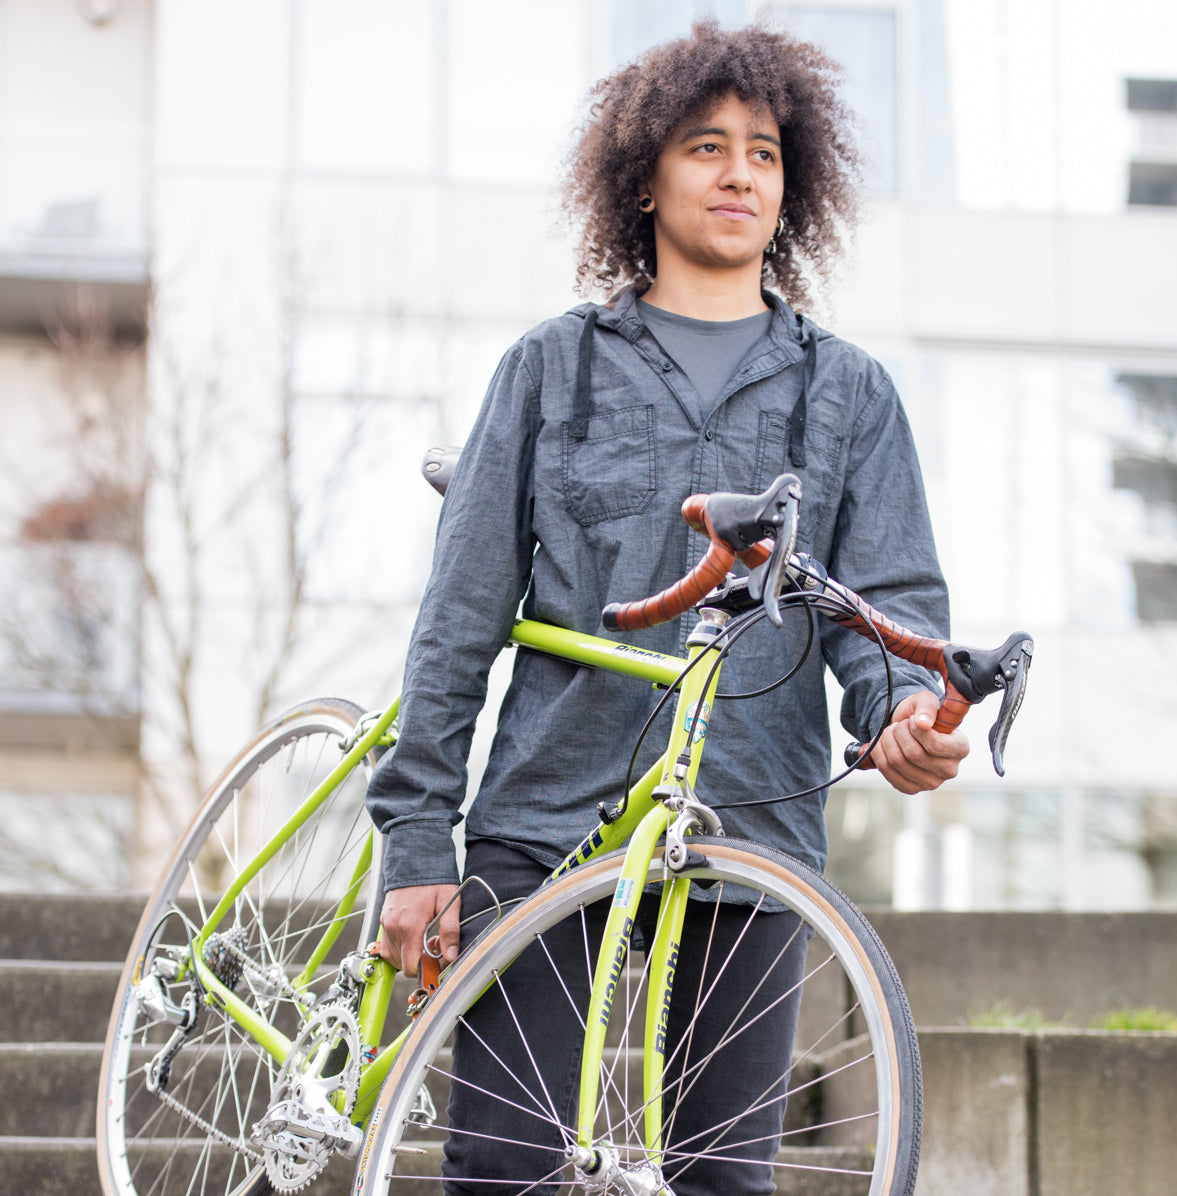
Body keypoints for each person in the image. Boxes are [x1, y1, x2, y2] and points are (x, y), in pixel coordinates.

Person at [366, 20, 968, 1192]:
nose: (738, 173)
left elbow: (883, 603)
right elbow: (459, 618)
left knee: (722, 1177)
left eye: (762, 152)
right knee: (504, 1162)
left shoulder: (849, 391)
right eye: (705, 146)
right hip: (545, 820)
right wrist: (417, 837)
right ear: (643, 176)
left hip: (753, 830)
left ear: (790, 187)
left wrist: (902, 710)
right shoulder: (550, 367)